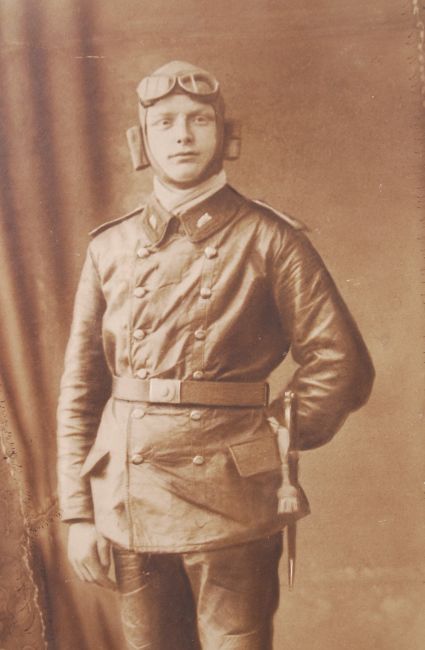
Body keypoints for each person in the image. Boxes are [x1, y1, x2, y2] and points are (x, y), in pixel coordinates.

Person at [57, 60, 374, 650]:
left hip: (233, 501)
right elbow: (81, 390)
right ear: (141, 140)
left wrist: (270, 440)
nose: (182, 135)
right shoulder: (110, 248)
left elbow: (341, 364)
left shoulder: (270, 238)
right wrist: (78, 513)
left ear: (226, 135)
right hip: (128, 497)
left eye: (199, 120)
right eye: (165, 122)